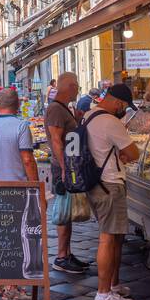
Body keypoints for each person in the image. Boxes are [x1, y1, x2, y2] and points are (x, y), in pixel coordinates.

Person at [0, 88, 39, 300]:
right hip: (18, 189)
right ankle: (13, 288)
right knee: (18, 238)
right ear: (18, 105)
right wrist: (36, 188)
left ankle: (1, 283)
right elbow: (28, 159)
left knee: (0, 238)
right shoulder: (21, 126)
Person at [82, 83, 139, 300]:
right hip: (110, 184)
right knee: (107, 237)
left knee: (115, 236)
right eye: (123, 106)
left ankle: (113, 286)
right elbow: (134, 153)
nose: (123, 110)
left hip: (95, 182)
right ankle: (103, 294)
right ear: (117, 102)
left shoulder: (88, 115)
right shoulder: (111, 121)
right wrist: (124, 154)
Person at [46, 71, 89, 275]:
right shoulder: (55, 109)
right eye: (77, 86)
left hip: (68, 164)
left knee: (68, 211)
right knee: (64, 210)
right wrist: (64, 168)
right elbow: (56, 140)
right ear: (70, 87)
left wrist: (77, 121)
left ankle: (67, 253)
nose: (78, 90)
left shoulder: (64, 108)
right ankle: (61, 256)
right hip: (62, 166)